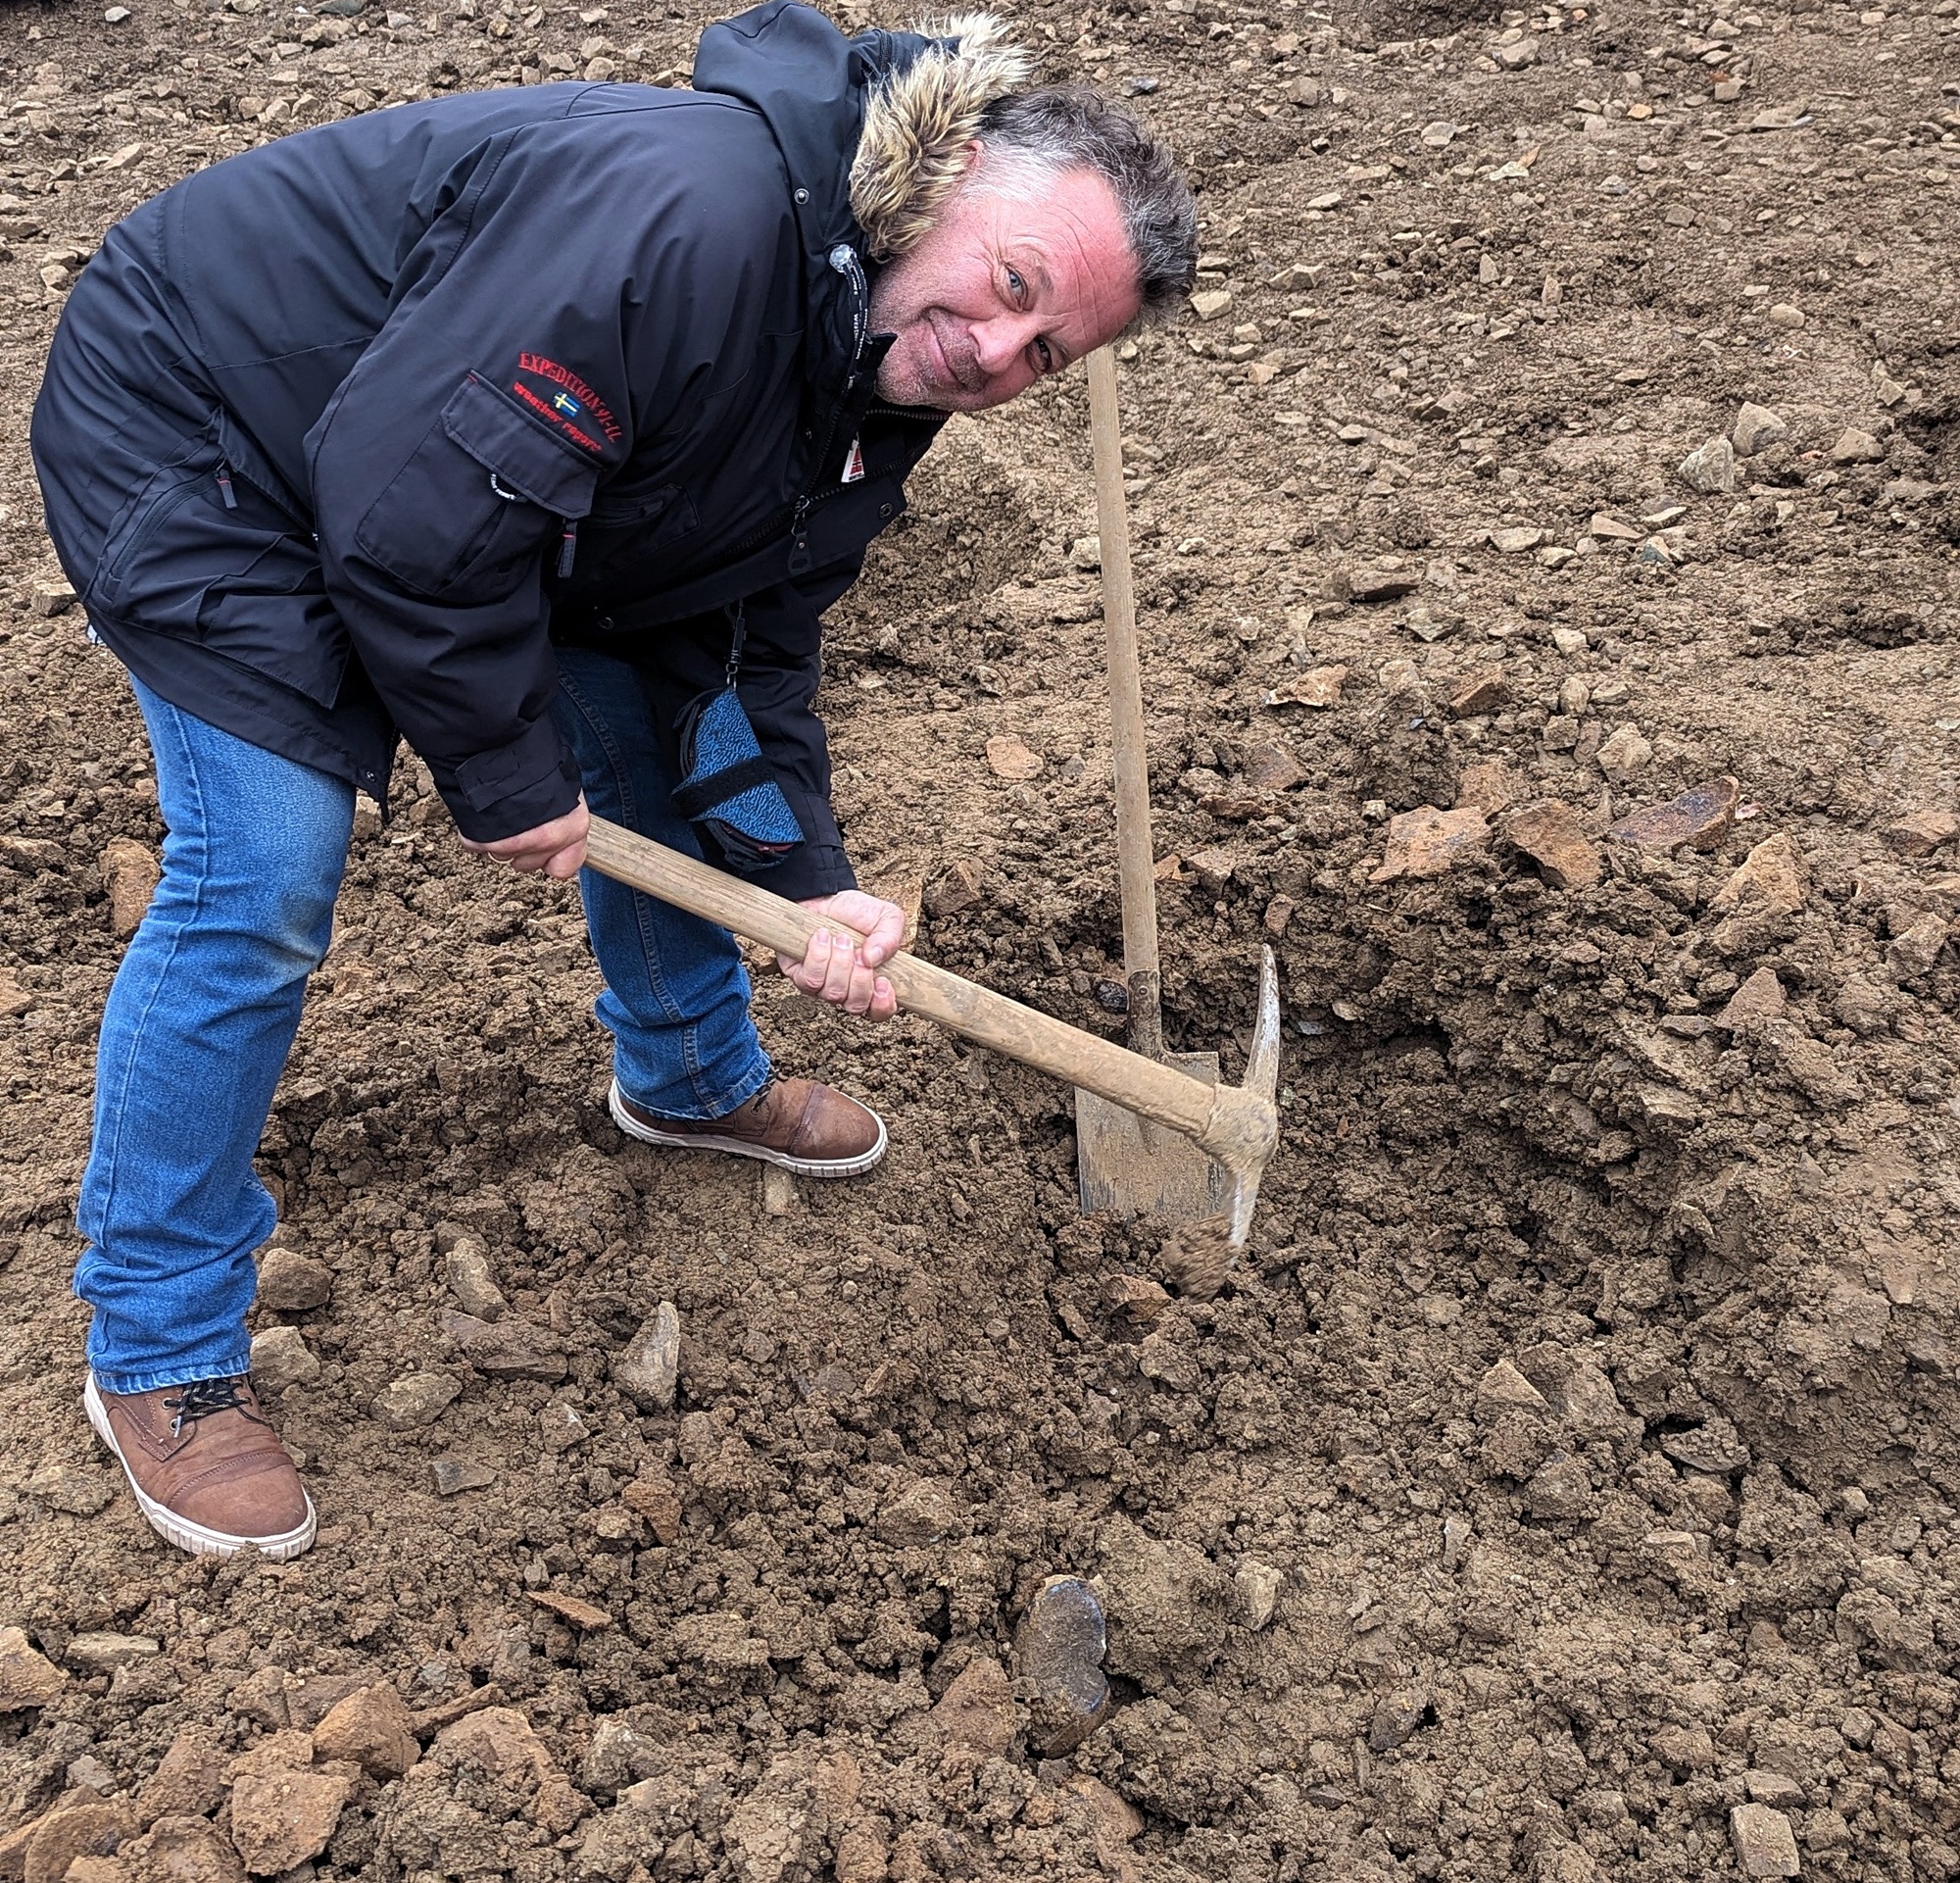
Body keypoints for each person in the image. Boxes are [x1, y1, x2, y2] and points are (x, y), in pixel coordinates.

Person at [30, 0, 1196, 1561]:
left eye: (1045, 351)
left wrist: (808, 886)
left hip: (441, 467)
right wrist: (506, 771)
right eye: (1013, 287)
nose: (996, 352)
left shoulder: (870, 381)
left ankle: (690, 1071)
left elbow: (732, 655)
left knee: (642, 724)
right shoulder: (695, 220)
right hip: (211, 426)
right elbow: (409, 507)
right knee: (267, 862)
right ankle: (158, 1347)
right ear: (955, 172)